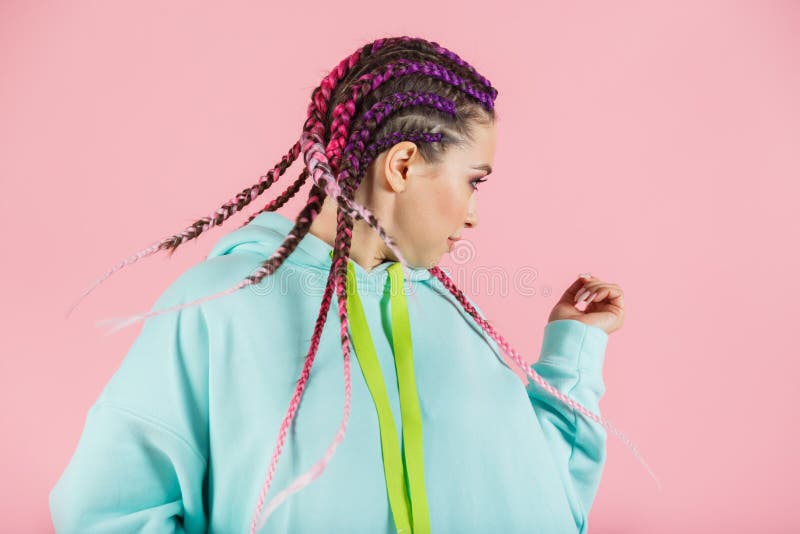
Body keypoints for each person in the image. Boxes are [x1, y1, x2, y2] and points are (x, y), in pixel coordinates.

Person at [49, 35, 627, 533]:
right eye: (475, 181)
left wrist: (572, 350)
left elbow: (548, 503)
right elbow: (108, 510)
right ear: (401, 165)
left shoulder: (457, 321)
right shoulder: (215, 306)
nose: (474, 214)